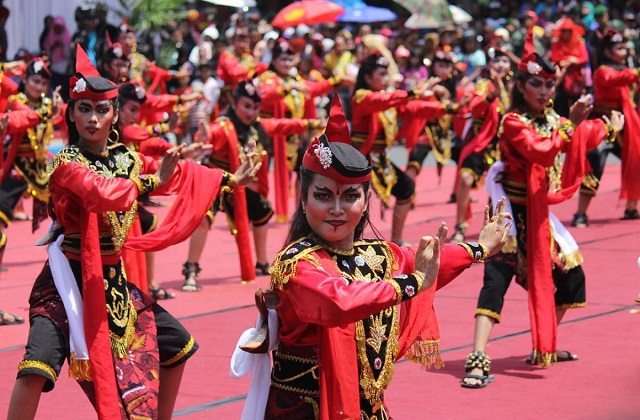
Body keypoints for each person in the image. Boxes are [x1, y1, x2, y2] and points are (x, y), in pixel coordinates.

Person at [6, 45, 260, 420]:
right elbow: (100, 193)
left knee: (178, 346)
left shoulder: (126, 158)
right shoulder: (67, 163)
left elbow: (172, 174)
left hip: (114, 284)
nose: (93, 118)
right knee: (37, 367)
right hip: (67, 285)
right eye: (84, 109)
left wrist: (225, 178)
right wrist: (149, 182)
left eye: (101, 109)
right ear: (72, 115)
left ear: (113, 115)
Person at [248, 95, 510, 418]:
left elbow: (426, 259)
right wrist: (411, 284)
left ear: (366, 200)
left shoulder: (378, 254)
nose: (337, 209)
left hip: (367, 409)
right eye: (323, 195)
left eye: (350, 196)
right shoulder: (297, 264)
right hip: (304, 410)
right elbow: (339, 301)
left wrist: (479, 248)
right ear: (303, 200)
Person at [460, 30, 624, 389]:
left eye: (550, 85)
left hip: (538, 215)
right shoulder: (513, 122)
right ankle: (478, 357)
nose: (546, 92)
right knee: (495, 282)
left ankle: (545, 342)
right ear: (521, 86)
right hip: (510, 215)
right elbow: (542, 150)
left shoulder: (552, 119)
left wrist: (607, 128)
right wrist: (575, 127)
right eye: (538, 84)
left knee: (571, 277)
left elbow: (576, 135)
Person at [184, 80, 325, 287]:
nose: (251, 111)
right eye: (246, 106)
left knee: (262, 210)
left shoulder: (257, 127)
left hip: (240, 187)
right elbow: (212, 132)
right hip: (217, 181)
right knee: (203, 218)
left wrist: (313, 123)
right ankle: (191, 268)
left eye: (255, 107)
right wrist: (203, 135)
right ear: (234, 104)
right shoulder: (225, 126)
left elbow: (281, 125)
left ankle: (261, 262)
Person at [350, 52, 447, 245]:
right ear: (368, 77)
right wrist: (415, 92)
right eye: (382, 74)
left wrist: (448, 108)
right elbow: (381, 102)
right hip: (360, 159)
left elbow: (414, 109)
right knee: (358, 204)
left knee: (406, 190)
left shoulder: (389, 98)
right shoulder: (361, 98)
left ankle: (396, 240)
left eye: (387, 73)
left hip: (381, 159)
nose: (386, 78)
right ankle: (349, 244)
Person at [571, 30, 640, 227]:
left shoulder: (626, 68)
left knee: (637, 160)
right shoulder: (602, 71)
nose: (624, 51)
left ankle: (631, 207)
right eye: (619, 48)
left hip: (626, 124)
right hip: (602, 125)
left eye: (624, 47)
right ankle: (580, 214)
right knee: (594, 166)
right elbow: (615, 80)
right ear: (608, 52)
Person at [0, 59, 63, 269]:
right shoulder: (16, 101)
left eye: (43, 83)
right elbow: (22, 118)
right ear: (25, 79)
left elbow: (67, 113)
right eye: (35, 81)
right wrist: (49, 113)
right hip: (18, 166)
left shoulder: (48, 103)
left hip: (41, 169)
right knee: (1, 212)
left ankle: (71, 247)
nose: (39, 87)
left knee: (67, 204)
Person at [452, 44, 514, 243]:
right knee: (465, 180)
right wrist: (491, 96)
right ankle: (460, 226)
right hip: (480, 143)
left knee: (498, 190)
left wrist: (502, 91)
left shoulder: (516, 88)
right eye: (497, 61)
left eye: (505, 61)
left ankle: (492, 230)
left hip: (503, 147)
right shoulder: (483, 86)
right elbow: (475, 107)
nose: (501, 65)